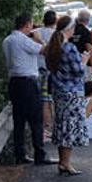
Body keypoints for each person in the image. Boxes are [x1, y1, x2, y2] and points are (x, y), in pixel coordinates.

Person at [2, 13, 56, 166]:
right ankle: (40, 154)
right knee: (35, 120)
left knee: (18, 120)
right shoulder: (24, 40)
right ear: (26, 25)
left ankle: (20, 154)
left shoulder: (7, 40)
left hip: (14, 82)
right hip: (28, 82)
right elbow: (45, 51)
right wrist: (39, 39)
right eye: (31, 25)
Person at [46, 15, 90, 176]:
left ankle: (62, 161)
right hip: (71, 92)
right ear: (69, 30)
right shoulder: (69, 47)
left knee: (61, 126)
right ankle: (66, 162)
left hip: (58, 91)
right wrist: (84, 60)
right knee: (70, 127)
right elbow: (78, 71)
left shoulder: (53, 46)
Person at [37, 10, 58, 141]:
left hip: (37, 69)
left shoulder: (36, 32)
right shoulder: (56, 35)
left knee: (42, 101)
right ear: (55, 21)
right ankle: (49, 129)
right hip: (50, 71)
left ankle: (45, 128)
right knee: (49, 101)